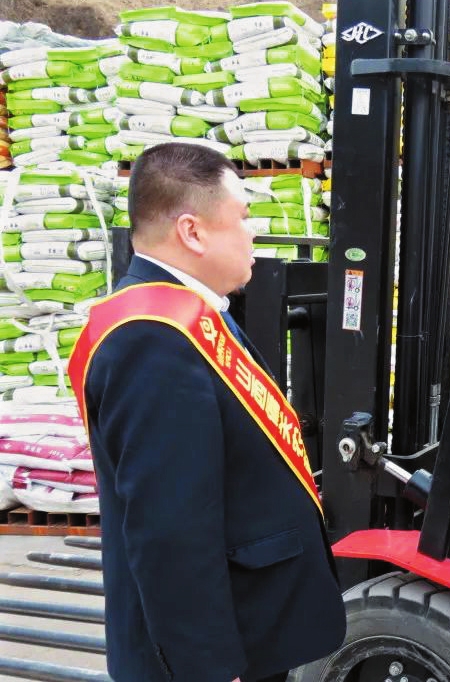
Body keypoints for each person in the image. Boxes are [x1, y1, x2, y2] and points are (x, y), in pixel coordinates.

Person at [69, 143, 346, 682]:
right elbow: (171, 531)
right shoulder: (151, 340)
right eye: (242, 217)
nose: (253, 232)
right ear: (192, 232)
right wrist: (208, 668)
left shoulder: (191, 313)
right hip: (215, 655)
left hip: (248, 627)